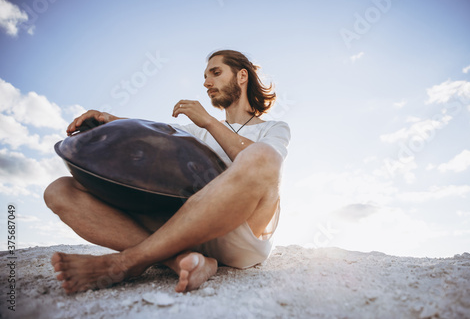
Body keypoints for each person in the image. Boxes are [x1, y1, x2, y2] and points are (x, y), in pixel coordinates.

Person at [44, 50, 291, 294]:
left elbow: (261, 163)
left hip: (241, 237)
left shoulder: (272, 128)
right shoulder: (197, 133)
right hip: (184, 228)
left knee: (264, 156)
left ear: (242, 76)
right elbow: (155, 133)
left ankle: (126, 262)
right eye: (205, 77)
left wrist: (207, 121)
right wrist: (110, 120)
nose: (207, 83)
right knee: (59, 190)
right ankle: (181, 261)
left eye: (216, 73)